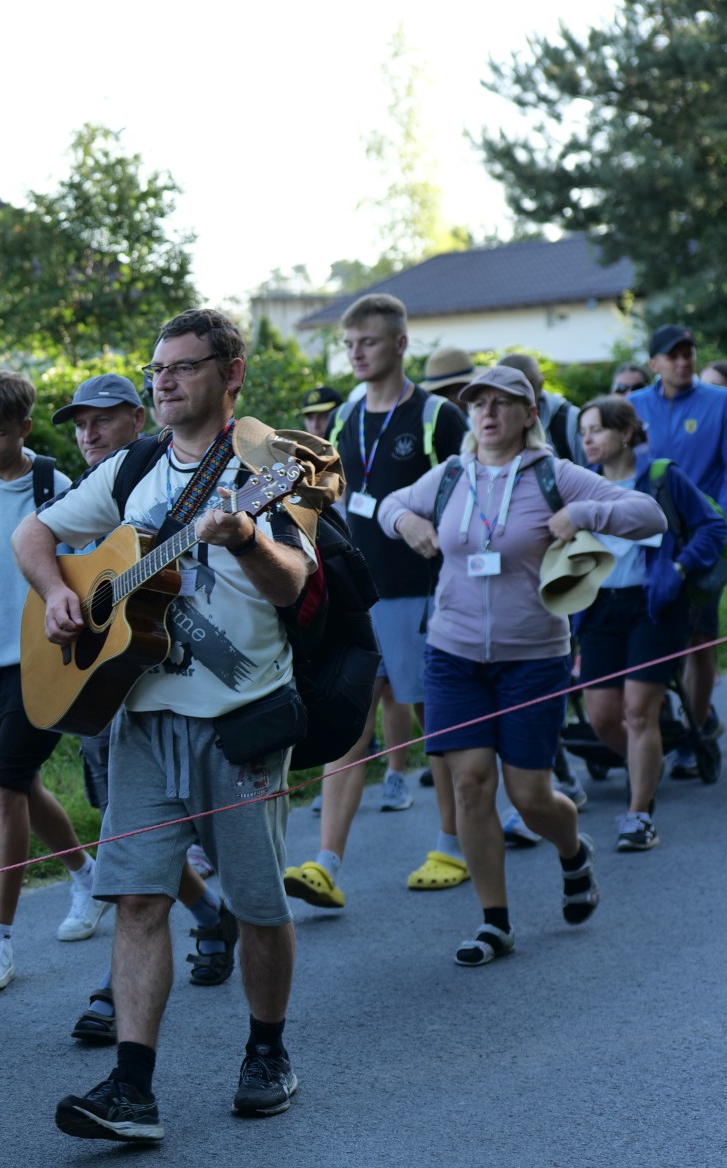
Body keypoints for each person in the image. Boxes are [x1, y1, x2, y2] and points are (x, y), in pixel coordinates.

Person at [18, 308, 324, 1141]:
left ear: (232, 375)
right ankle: (131, 1086)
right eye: (157, 369)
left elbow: (294, 584)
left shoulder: (270, 465)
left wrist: (246, 536)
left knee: (258, 906)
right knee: (137, 902)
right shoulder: (136, 464)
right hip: (144, 721)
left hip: (240, 718)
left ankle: (268, 1051)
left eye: (183, 367)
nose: (164, 382)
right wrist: (57, 592)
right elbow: (34, 532)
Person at [379, 366, 664, 966]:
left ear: (529, 413)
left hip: (533, 658)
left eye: (502, 403)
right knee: (469, 784)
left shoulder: (555, 475)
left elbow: (649, 516)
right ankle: (495, 922)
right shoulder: (450, 475)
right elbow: (389, 504)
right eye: (477, 403)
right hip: (452, 655)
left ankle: (573, 852)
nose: (487, 413)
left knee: (530, 796)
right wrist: (408, 522)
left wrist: (584, 515)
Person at [48, 374, 243, 1044]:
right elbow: (46, 558)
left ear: (139, 420)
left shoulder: (167, 480)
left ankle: (120, 989)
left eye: (101, 420)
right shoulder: (81, 494)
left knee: (140, 842)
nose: (88, 434)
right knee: (126, 840)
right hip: (103, 684)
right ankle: (211, 915)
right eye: (79, 424)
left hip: (191, 693)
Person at [305, 295, 467, 906]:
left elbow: (471, 493)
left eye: (367, 342)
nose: (356, 353)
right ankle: (325, 864)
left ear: (400, 344)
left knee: (435, 723)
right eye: (349, 344)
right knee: (349, 725)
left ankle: (453, 845)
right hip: (358, 598)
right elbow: (337, 497)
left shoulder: (437, 416)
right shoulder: (346, 416)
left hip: (421, 595)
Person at [0, 370, 101, 993]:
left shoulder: (53, 487)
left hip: (40, 665)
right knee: (24, 786)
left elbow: (85, 571)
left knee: (6, 789)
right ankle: (86, 875)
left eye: (0, 433)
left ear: (25, 429)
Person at [576, 396, 726, 849]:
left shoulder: (662, 476)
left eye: (597, 429)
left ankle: (639, 814)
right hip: (599, 608)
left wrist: (679, 567)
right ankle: (648, 760)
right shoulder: (580, 482)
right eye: (583, 431)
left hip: (655, 606)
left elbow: (713, 527)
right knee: (602, 717)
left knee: (640, 710)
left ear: (625, 432)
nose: (587, 439)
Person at [630, 325, 727, 774]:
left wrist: (717, 525)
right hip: (643, 538)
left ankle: (695, 730)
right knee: (651, 632)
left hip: (701, 536)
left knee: (698, 638)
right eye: (673, 356)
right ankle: (663, 721)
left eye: (689, 353)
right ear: (654, 363)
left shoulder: (720, 402)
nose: (684, 362)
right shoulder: (633, 407)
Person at [500, 354, 581, 464]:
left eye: (526, 388)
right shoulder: (486, 425)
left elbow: (593, 469)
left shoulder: (570, 420)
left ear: (540, 384)